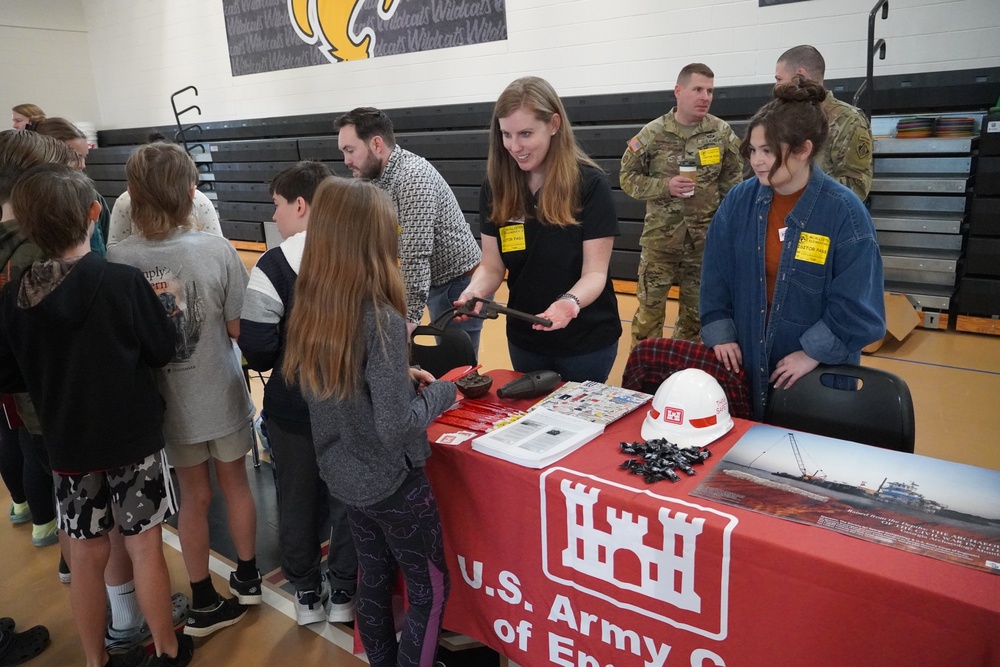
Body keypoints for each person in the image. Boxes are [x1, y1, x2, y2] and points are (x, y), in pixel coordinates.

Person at [0, 164, 193, 667]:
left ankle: (95, 659)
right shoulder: (123, 283)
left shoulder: (15, 295)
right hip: (134, 441)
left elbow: (10, 372)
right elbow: (160, 348)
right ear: (94, 213)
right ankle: (167, 650)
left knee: (84, 554)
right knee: (145, 546)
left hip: (68, 446)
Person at [283, 177, 456, 667]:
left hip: (347, 478)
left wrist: (396, 373)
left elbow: (347, 380)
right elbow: (396, 426)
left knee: (374, 581)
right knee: (429, 589)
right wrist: (445, 392)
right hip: (394, 483)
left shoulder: (314, 303)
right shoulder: (378, 315)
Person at [107, 143, 260, 639]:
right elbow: (238, 328)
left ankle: (202, 596)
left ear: (132, 194)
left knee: (193, 498)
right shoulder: (216, 249)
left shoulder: (117, 258)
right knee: (236, 484)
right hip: (222, 392)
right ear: (191, 193)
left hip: (168, 406)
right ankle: (249, 576)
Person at [700, 76, 886, 421]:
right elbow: (715, 276)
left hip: (813, 376)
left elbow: (859, 307)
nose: (756, 161)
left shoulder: (844, 213)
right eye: (753, 150)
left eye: (768, 151)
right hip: (744, 364)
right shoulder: (739, 202)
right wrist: (720, 331)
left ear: (804, 150)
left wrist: (812, 353)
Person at [240, 161, 358, 626]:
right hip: (349, 404)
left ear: (301, 204)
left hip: (292, 410)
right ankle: (346, 591)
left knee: (296, 499)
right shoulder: (358, 254)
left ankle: (307, 593)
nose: (277, 217)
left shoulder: (271, 266)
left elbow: (259, 351)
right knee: (347, 500)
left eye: (278, 207)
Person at [455, 76, 622, 382]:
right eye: (506, 135)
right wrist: (475, 291)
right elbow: (493, 266)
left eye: (526, 134)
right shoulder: (496, 187)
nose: (515, 146)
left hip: (586, 341)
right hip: (526, 340)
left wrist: (568, 304)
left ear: (554, 124)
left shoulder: (589, 185)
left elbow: (595, 274)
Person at [335, 108, 484, 353]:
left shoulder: (412, 179)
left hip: (455, 284)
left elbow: (415, 255)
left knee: (457, 367)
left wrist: (408, 320)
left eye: (350, 150)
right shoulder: (375, 177)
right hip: (431, 279)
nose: (346, 161)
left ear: (376, 144)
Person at [621, 63, 743, 347]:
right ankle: (644, 372)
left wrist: (726, 231)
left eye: (710, 91)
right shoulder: (653, 133)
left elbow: (732, 184)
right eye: (698, 89)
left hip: (704, 244)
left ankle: (683, 375)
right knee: (649, 315)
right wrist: (665, 186)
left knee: (695, 318)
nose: (705, 97)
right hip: (660, 242)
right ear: (678, 91)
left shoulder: (721, 133)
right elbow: (627, 177)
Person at [775, 45, 874, 201]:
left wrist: (801, 188)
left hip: (827, 217)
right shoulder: (784, 117)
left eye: (779, 79)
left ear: (800, 75)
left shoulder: (848, 120)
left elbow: (856, 186)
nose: (776, 86)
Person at [31, 117, 109, 252]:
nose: (83, 165)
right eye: (75, 157)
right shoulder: (28, 203)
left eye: (85, 157)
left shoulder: (93, 197)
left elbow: (106, 242)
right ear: (49, 155)